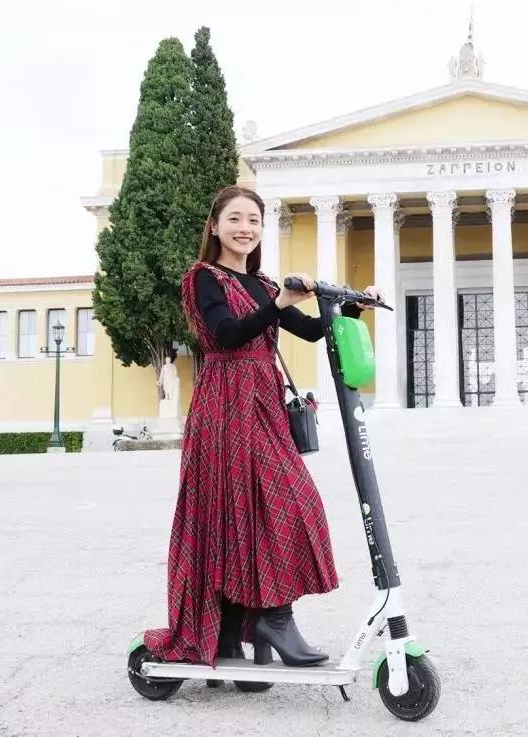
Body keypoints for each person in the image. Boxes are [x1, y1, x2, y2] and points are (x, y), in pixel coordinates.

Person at [142, 185, 382, 686]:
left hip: (264, 403)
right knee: (275, 503)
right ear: (214, 226)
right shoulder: (202, 278)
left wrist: (355, 305)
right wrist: (278, 302)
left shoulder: (262, 283)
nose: (245, 228)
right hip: (224, 405)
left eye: (253, 219)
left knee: (255, 510)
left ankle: (237, 634)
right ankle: (273, 620)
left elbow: (312, 332)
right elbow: (226, 334)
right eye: (235, 218)